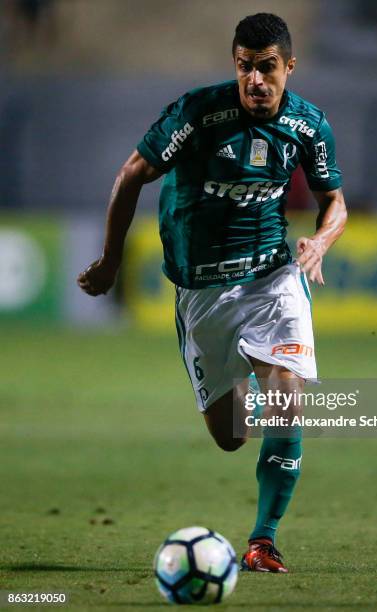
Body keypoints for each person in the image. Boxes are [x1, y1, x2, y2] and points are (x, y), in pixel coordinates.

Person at [78, 12, 347, 573]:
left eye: (267, 68)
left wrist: (320, 243)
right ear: (235, 65)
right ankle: (249, 364)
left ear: (288, 67)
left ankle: (263, 540)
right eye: (246, 67)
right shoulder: (198, 114)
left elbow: (334, 201)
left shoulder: (309, 126)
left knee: (286, 403)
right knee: (231, 436)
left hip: (274, 277)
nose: (256, 80)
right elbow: (133, 174)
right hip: (203, 291)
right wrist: (111, 260)